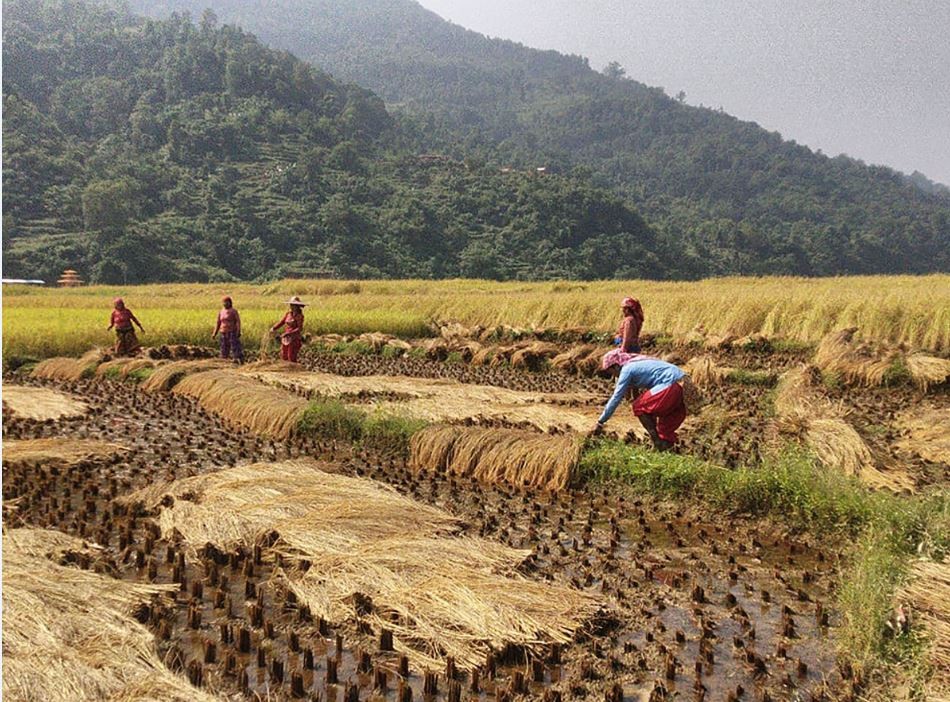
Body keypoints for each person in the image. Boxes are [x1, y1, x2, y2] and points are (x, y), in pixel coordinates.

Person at [592, 349, 687, 450]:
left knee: (638, 406)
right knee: (664, 430)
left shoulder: (627, 370)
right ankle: (667, 447)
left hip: (670, 384)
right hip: (683, 386)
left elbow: (616, 397)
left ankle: (656, 442)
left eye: (612, 372)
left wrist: (601, 422)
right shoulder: (637, 363)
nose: (614, 376)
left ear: (615, 366)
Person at [271, 296, 306, 362]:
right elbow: (282, 322)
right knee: (284, 356)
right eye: (291, 305)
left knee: (291, 357)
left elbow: (300, 328)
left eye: (293, 305)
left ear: (297, 306)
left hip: (294, 338)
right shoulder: (288, 314)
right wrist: (274, 328)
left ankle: (293, 370)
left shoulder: (299, 316)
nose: (291, 307)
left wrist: (288, 333)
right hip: (286, 338)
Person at [212, 296, 244, 363]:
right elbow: (218, 323)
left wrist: (238, 331)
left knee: (235, 347)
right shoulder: (221, 312)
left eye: (227, 302)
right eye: (224, 302)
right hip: (223, 332)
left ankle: (238, 360)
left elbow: (238, 322)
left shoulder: (233, 311)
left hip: (232, 332)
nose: (225, 304)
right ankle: (224, 360)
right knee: (224, 347)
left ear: (230, 303)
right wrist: (214, 333)